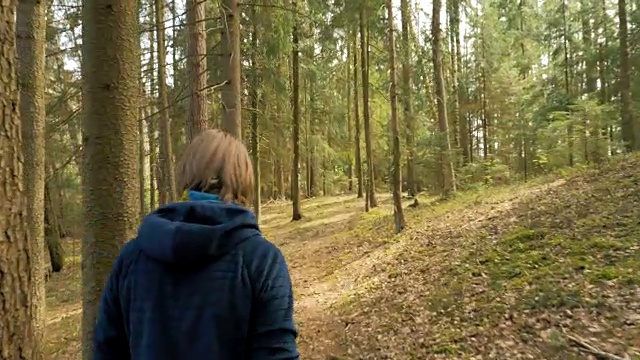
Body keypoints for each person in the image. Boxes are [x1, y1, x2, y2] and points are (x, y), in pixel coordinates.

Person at [93, 129, 299, 360]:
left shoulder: (131, 257)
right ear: (243, 181)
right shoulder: (261, 260)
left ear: (186, 177)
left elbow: (106, 350)